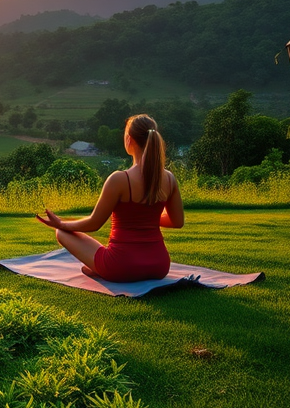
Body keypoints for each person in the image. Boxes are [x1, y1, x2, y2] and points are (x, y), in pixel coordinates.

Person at [35, 114, 184, 282]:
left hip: (122, 267)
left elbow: (94, 223)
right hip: (159, 266)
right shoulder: (169, 178)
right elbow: (177, 222)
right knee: (105, 252)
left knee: (62, 233)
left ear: (129, 140)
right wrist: (146, 219)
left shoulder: (119, 179)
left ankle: (100, 268)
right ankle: (100, 268)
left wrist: (61, 224)